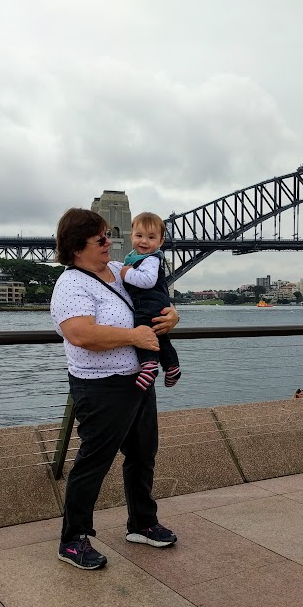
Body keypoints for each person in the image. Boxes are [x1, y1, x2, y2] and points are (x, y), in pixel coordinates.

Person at [50, 208, 180, 571]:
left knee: (142, 455)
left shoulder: (123, 270)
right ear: (77, 247)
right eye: (101, 238)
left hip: (138, 380)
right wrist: (133, 337)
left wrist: (173, 315)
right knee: (94, 462)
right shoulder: (71, 284)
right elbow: (80, 333)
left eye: (108, 234)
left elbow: (153, 299)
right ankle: (72, 539)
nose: (110, 241)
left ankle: (142, 523)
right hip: (101, 387)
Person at [121, 212, 181, 390]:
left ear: (161, 242)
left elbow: (147, 281)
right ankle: (172, 366)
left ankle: (149, 365)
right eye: (139, 236)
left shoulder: (150, 260)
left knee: (143, 331)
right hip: (156, 304)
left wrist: (127, 273)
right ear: (131, 236)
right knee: (160, 337)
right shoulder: (138, 257)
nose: (144, 241)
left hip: (148, 305)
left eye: (151, 237)